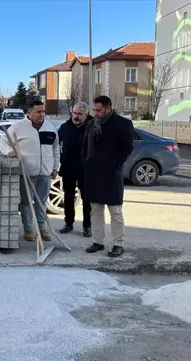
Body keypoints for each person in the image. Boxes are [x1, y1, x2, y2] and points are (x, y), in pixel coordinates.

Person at [0, 100, 60, 242]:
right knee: (26, 203)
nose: (42, 114)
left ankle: (42, 228)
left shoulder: (50, 128)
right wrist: (8, 151)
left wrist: (55, 167)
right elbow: (2, 141)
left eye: (43, 111)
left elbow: (56, 149)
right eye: (38, 111)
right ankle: (29, 229)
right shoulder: (18, 127)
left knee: (42, 203)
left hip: (45, 173)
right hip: (26, 173)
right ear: (30, 113)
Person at [82, 95, 134, 257]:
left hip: (111, 174)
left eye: (98, 110)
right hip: (93, 174)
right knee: (95, 210)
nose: (95, 113)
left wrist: (115, 165)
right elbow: (85, 146)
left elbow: (127, 148)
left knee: (115, 211)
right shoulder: (91, 124)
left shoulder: (123, 124)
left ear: (108, 108)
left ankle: (118, 244)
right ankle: (98, 241)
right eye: (94, 110)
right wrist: (86, 162)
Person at [57, 101, 93, 237]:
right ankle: (68, 223)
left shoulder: (93, 127)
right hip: (68, 167)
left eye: (80, 114)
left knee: (87, 199)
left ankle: (87, 226)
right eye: (75, 113)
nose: (76, 116)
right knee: (68, 197)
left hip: (86, 169)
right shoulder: (65, 127)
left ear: (86, 114)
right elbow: (55, 144)